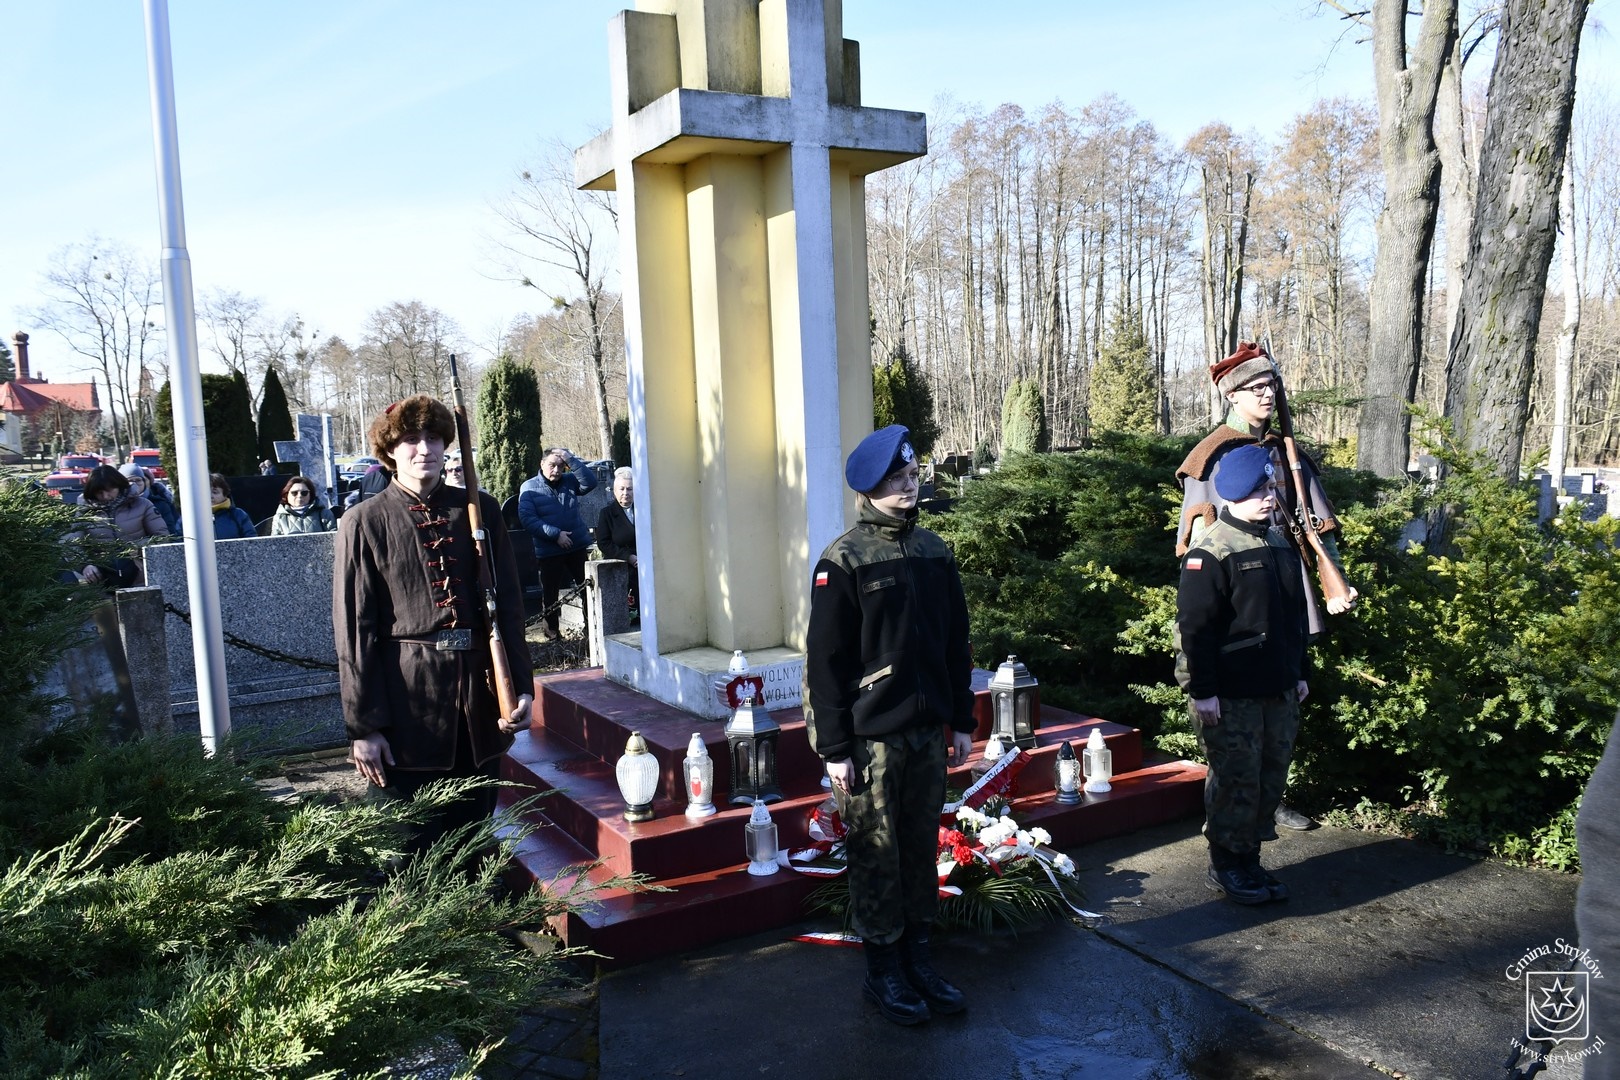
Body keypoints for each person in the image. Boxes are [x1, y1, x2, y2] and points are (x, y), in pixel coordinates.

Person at [805, 424, 976, 1027]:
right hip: (871, 738)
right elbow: (825, 662)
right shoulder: (844, 559)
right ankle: (883, 972)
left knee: (918, 848)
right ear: (870, 489)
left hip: (928, 731)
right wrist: (834, 748)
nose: (909, 487)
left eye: (911, 476)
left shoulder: (932, 551)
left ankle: (918, 959)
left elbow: (956, 641)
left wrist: (962, 718)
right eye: (896, 480)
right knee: (877, 855)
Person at [334, 394, 534, 857]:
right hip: (408, 707)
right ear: (389, 451)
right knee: (404, 851)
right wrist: (363, 727)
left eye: (432, 438)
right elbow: (354, 631)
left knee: (473, 846)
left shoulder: (478, 510)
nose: (423, 448)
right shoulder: (363, 521)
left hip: (478, 703)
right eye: (410, 439)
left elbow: (509, 608)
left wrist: (521, 686)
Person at [1175, 341, 1356, 835]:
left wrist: (1333, 581)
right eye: (1254, 388)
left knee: (1284, 700)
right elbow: (1200, 534)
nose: (1266, 395)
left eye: (1270, 384)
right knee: (1235, 719)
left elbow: (1317, 524)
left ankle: (1271, 798)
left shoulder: (1286, 451)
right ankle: (1232, 815)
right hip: (1239, 589)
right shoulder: (1211, 456)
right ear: (1232, 396)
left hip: (1287, 580)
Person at [1175, 443, 1309, 906]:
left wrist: (1299, 671)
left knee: (1270, 776)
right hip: (1231, 693)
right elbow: (1194, 629)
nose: (1269, 497)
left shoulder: (1276, 542)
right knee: (1236, 779)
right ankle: (1227, 863)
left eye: (1270, 487)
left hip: (1277, 685)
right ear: (1233, 495)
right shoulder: (1212, 550)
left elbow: (1292, 617)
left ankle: (1250, 858)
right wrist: (1203, 692)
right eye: (1258, 490)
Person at [518, 447, 599, 641]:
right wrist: (556, 535)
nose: (556, 470)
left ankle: (593, 630)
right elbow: (528, 519)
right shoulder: (529, 488)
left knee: (587, 590)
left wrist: (572, 460)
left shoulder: (569, 481)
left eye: (561, 466)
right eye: (552, 465)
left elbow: (590, 483)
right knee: (550, 595)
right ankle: (552, 635)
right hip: (549, 550)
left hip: (576, 546)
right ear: (542, 464)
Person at [73, 464, 169, 587]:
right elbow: (73, 543)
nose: (105, 496)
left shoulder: (143, 505)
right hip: (101, 579)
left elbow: (162, 537)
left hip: (140, 574)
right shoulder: (83, 512)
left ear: (119, 486)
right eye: (99, 492)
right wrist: (84, 565)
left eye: (109, 490)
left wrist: (135, 548)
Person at [121, 463, 180, 535]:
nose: (134, 484)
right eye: (129, 481)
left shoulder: (160, 504)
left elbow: (170, 531)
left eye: (138, 480)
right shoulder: (115, 505)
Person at [270, 476, 337, 535]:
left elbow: (334, 539)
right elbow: (274, 544)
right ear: (286, 495)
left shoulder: (324, 514)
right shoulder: (279, 517)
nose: (299, 496)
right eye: (294, 493)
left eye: (304, 493)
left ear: (310, 495)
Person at [209, 474, 257, 539]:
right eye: (206, 492)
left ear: (225, 494)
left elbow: (251, 540)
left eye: (215, 492)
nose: (210, 496)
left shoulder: (238, 515)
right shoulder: (193, 518)